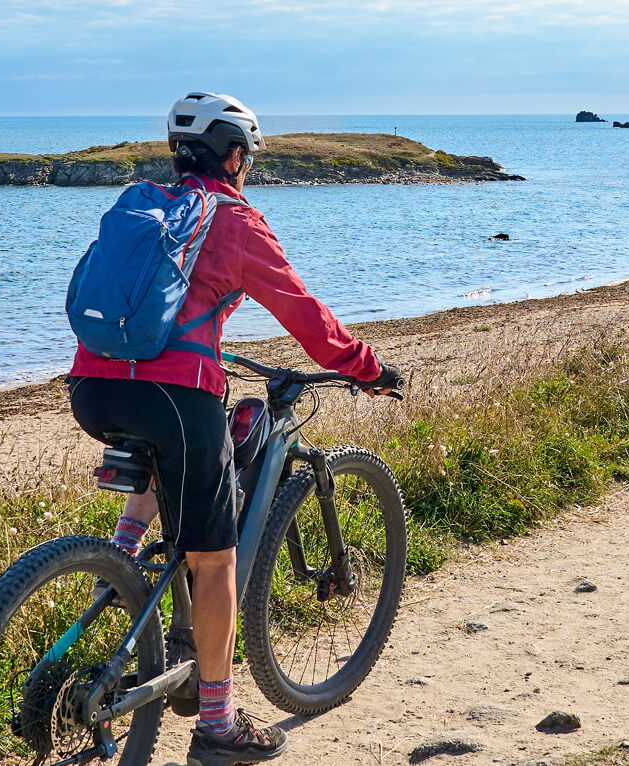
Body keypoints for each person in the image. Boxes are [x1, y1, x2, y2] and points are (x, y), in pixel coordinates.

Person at [65, 91, 400, 765]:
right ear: (237, 156)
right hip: (172, 397)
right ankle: (216, 724)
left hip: (91, 386)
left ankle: (122, 569)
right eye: (250, 158)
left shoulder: (143, 205)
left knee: (172, 457)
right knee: (214, 560)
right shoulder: (236, 220)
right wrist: (366, 368)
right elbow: (307, 317)